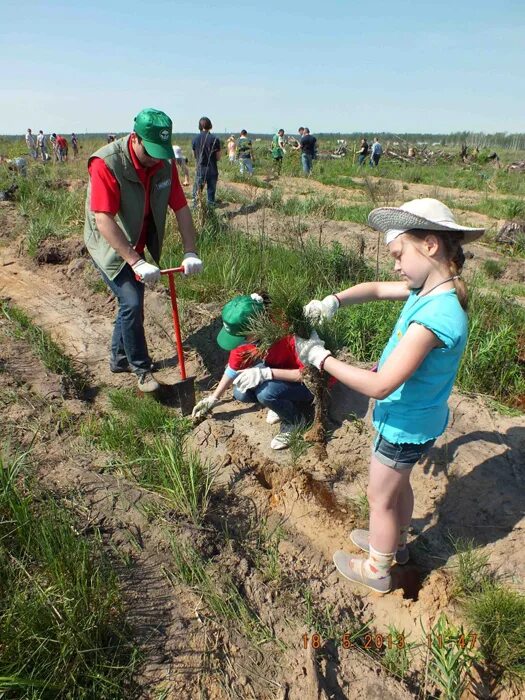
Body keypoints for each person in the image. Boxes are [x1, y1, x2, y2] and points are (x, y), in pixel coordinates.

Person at [299, 198, 484, 594]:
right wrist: (335, 300)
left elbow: (381, 386)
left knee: (378, 496)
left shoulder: (436, 316)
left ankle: (377, 568)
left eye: (399, 255)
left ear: (430, 245)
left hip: (403, 423)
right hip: (419, 420)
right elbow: (378, 289)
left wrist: (322, 358)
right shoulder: (430, 290)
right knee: (397, 486)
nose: (395, 265)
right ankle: (396, 545)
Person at [84, 107, 203, 393]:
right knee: (132, 301)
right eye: (150, 152)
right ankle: (141, 368)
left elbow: (181, 208)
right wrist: (136, 261)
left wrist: (191, 250)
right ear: (135, 138)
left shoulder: (163, 161)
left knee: (130, 302)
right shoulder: (107, 163)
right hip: (108, 243)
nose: (155, 160)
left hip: (136, 239)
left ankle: (119, 358)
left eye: (160, 153)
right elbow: (103, 219)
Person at [191, 294, 314, 450]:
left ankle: (296, 421)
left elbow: (310, 375)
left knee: (266, 394)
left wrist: (265, 374)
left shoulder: (287, 332)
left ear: (256, 327)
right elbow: (233, 368)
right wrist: (213, 399)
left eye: (241, 337)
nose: (240, 342)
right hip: (281, 369)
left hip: (310, 384)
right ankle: (282, 404)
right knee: (240, 392)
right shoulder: (246, 337)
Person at [192, 116, 221, 208]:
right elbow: (218, 157)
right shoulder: (215, 139)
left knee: (197, 193)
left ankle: (196, 213)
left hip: (201, 169)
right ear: (210, 126)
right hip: (212, 170)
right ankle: (210, 214)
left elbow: (195, 156)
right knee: (211, 195)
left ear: (199, 126)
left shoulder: (195, 139)